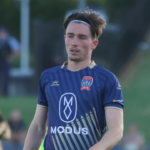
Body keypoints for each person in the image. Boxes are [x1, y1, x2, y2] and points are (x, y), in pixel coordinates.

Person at [23, 8, 124, 150]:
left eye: (82, 37)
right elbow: (39, 127)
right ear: (65, 39)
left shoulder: (107, 80)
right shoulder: (48, 77)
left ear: (94, 44)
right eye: (70, 36)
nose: (74, 42)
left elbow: (116, 130)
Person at [0, 26, 20, 96]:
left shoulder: (10, 39)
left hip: (5, 61)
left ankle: (5, 94)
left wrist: (11, 57)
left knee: (5, 77)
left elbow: (17, 50)